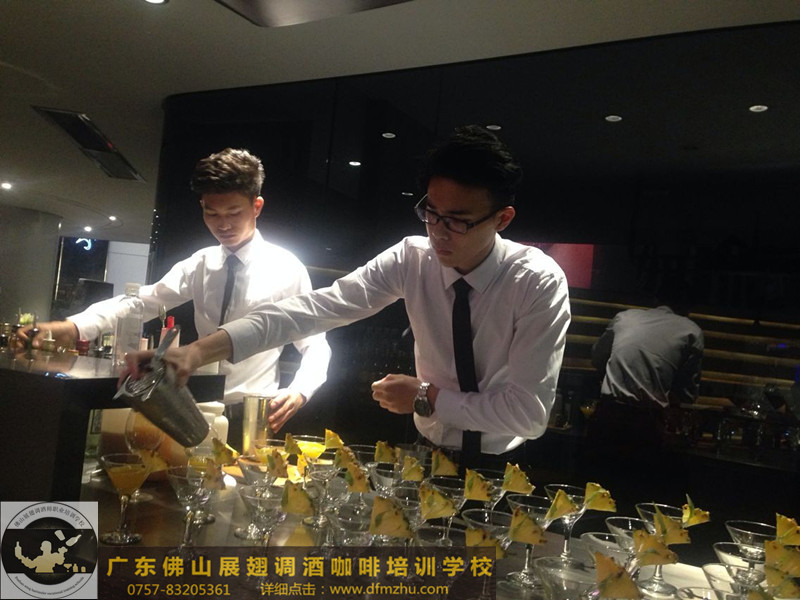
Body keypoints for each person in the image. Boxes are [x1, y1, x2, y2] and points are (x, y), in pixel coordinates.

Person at [125, 126, 571, 470]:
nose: (437, 232)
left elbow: (528, 414)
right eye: (431, 213)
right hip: (424, 451)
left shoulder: (537, 282)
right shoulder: (412, 258)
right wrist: (196, 352)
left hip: (501, 466)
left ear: (502, 219)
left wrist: (426, 396)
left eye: (457, 221)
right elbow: (314, 309)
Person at [18, 148, 331, 443]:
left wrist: (300, 391)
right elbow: (142, 302)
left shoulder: (286, 267)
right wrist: (73, 327)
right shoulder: (201, 263)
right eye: (212, 213)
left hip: (253, 415)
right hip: (196, 408)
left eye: (234, 213)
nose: (223, 224)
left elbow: (315, 343)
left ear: (256, 207)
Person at [585, 301, 704, 500]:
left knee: (595, 490)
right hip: (647, 423)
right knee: (636, 494)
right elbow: (686, 393)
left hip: (608, 415)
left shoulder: (625, 317)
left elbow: (597, 358)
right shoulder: (691, 330)